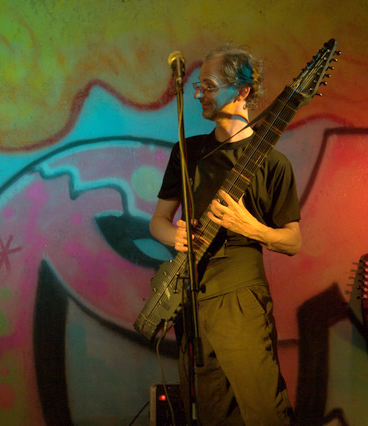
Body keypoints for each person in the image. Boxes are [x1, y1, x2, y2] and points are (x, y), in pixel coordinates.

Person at [149, 44, 301, 425]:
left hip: (240, 299)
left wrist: (250, 227)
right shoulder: (188, 152)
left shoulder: (272, 163)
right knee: (213, 415)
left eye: (209, 86)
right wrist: (175, 238)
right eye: (197, 86)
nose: (199, 94)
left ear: (243, 91)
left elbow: (293, 241)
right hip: (191, 298)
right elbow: (158, 222)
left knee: (263, 410)